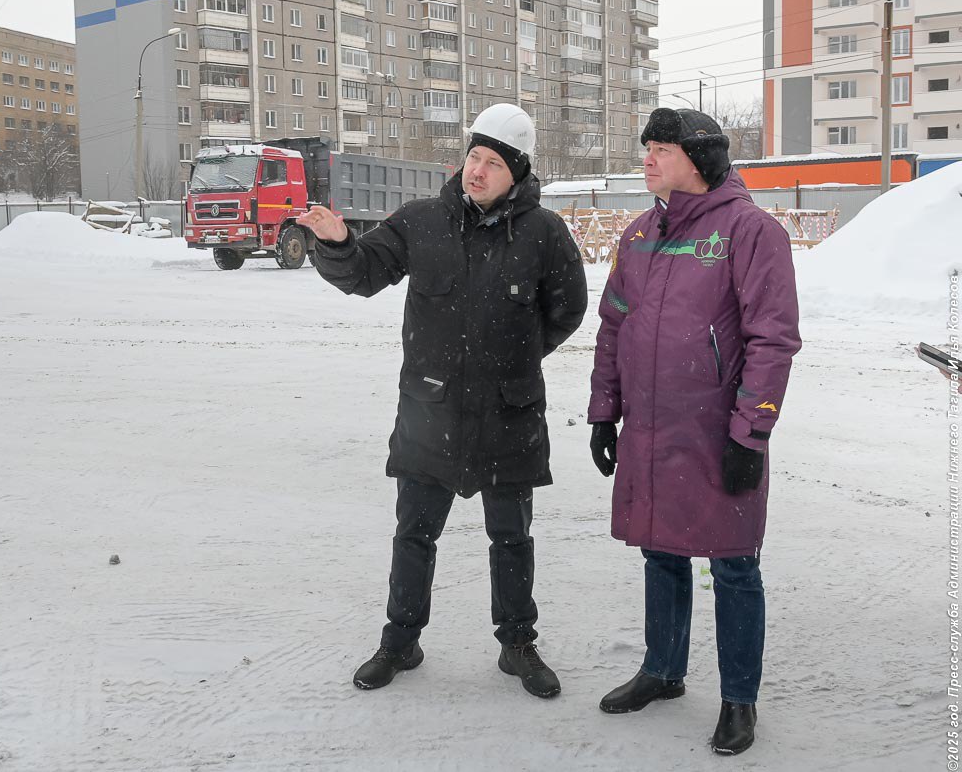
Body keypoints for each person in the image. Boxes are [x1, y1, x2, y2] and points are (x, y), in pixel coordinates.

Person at [296, 103, 587, 698]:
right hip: (431, 411)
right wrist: (337, 241)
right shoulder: (422, 222)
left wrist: (516, 359)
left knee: (511, 536)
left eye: (492, 163)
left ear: (518, 172)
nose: (477, 171)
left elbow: (568, 309)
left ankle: (517, 644)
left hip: (509, 412)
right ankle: (400, 642)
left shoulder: (544, 233)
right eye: (473, 157)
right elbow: (364, 273)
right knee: (415, 533)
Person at [586, 107, 801, 755]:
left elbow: (773, 340)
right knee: (662, 550)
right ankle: (663, 670)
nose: (647, 159)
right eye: (645, 148)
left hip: (719, 433)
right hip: (652, 432)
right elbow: (615, 326)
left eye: (661, 149)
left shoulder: (750, 232)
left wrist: (750, 435)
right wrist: (604, 410)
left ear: (699, 160)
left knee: (733, 566)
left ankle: (740, 699)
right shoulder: (639, 235)